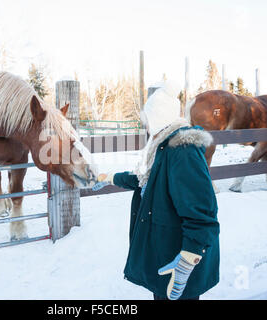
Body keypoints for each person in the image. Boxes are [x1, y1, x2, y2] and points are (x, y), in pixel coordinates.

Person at [93, 84, 220, 300]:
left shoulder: (182, 150)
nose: (146, 126)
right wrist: (110, 177)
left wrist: (187, 261)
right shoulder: (164, 146)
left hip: (179, 259)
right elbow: (148, 180)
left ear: (156, 118)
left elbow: (202, 212)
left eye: (147, 119)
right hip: (166, 251)